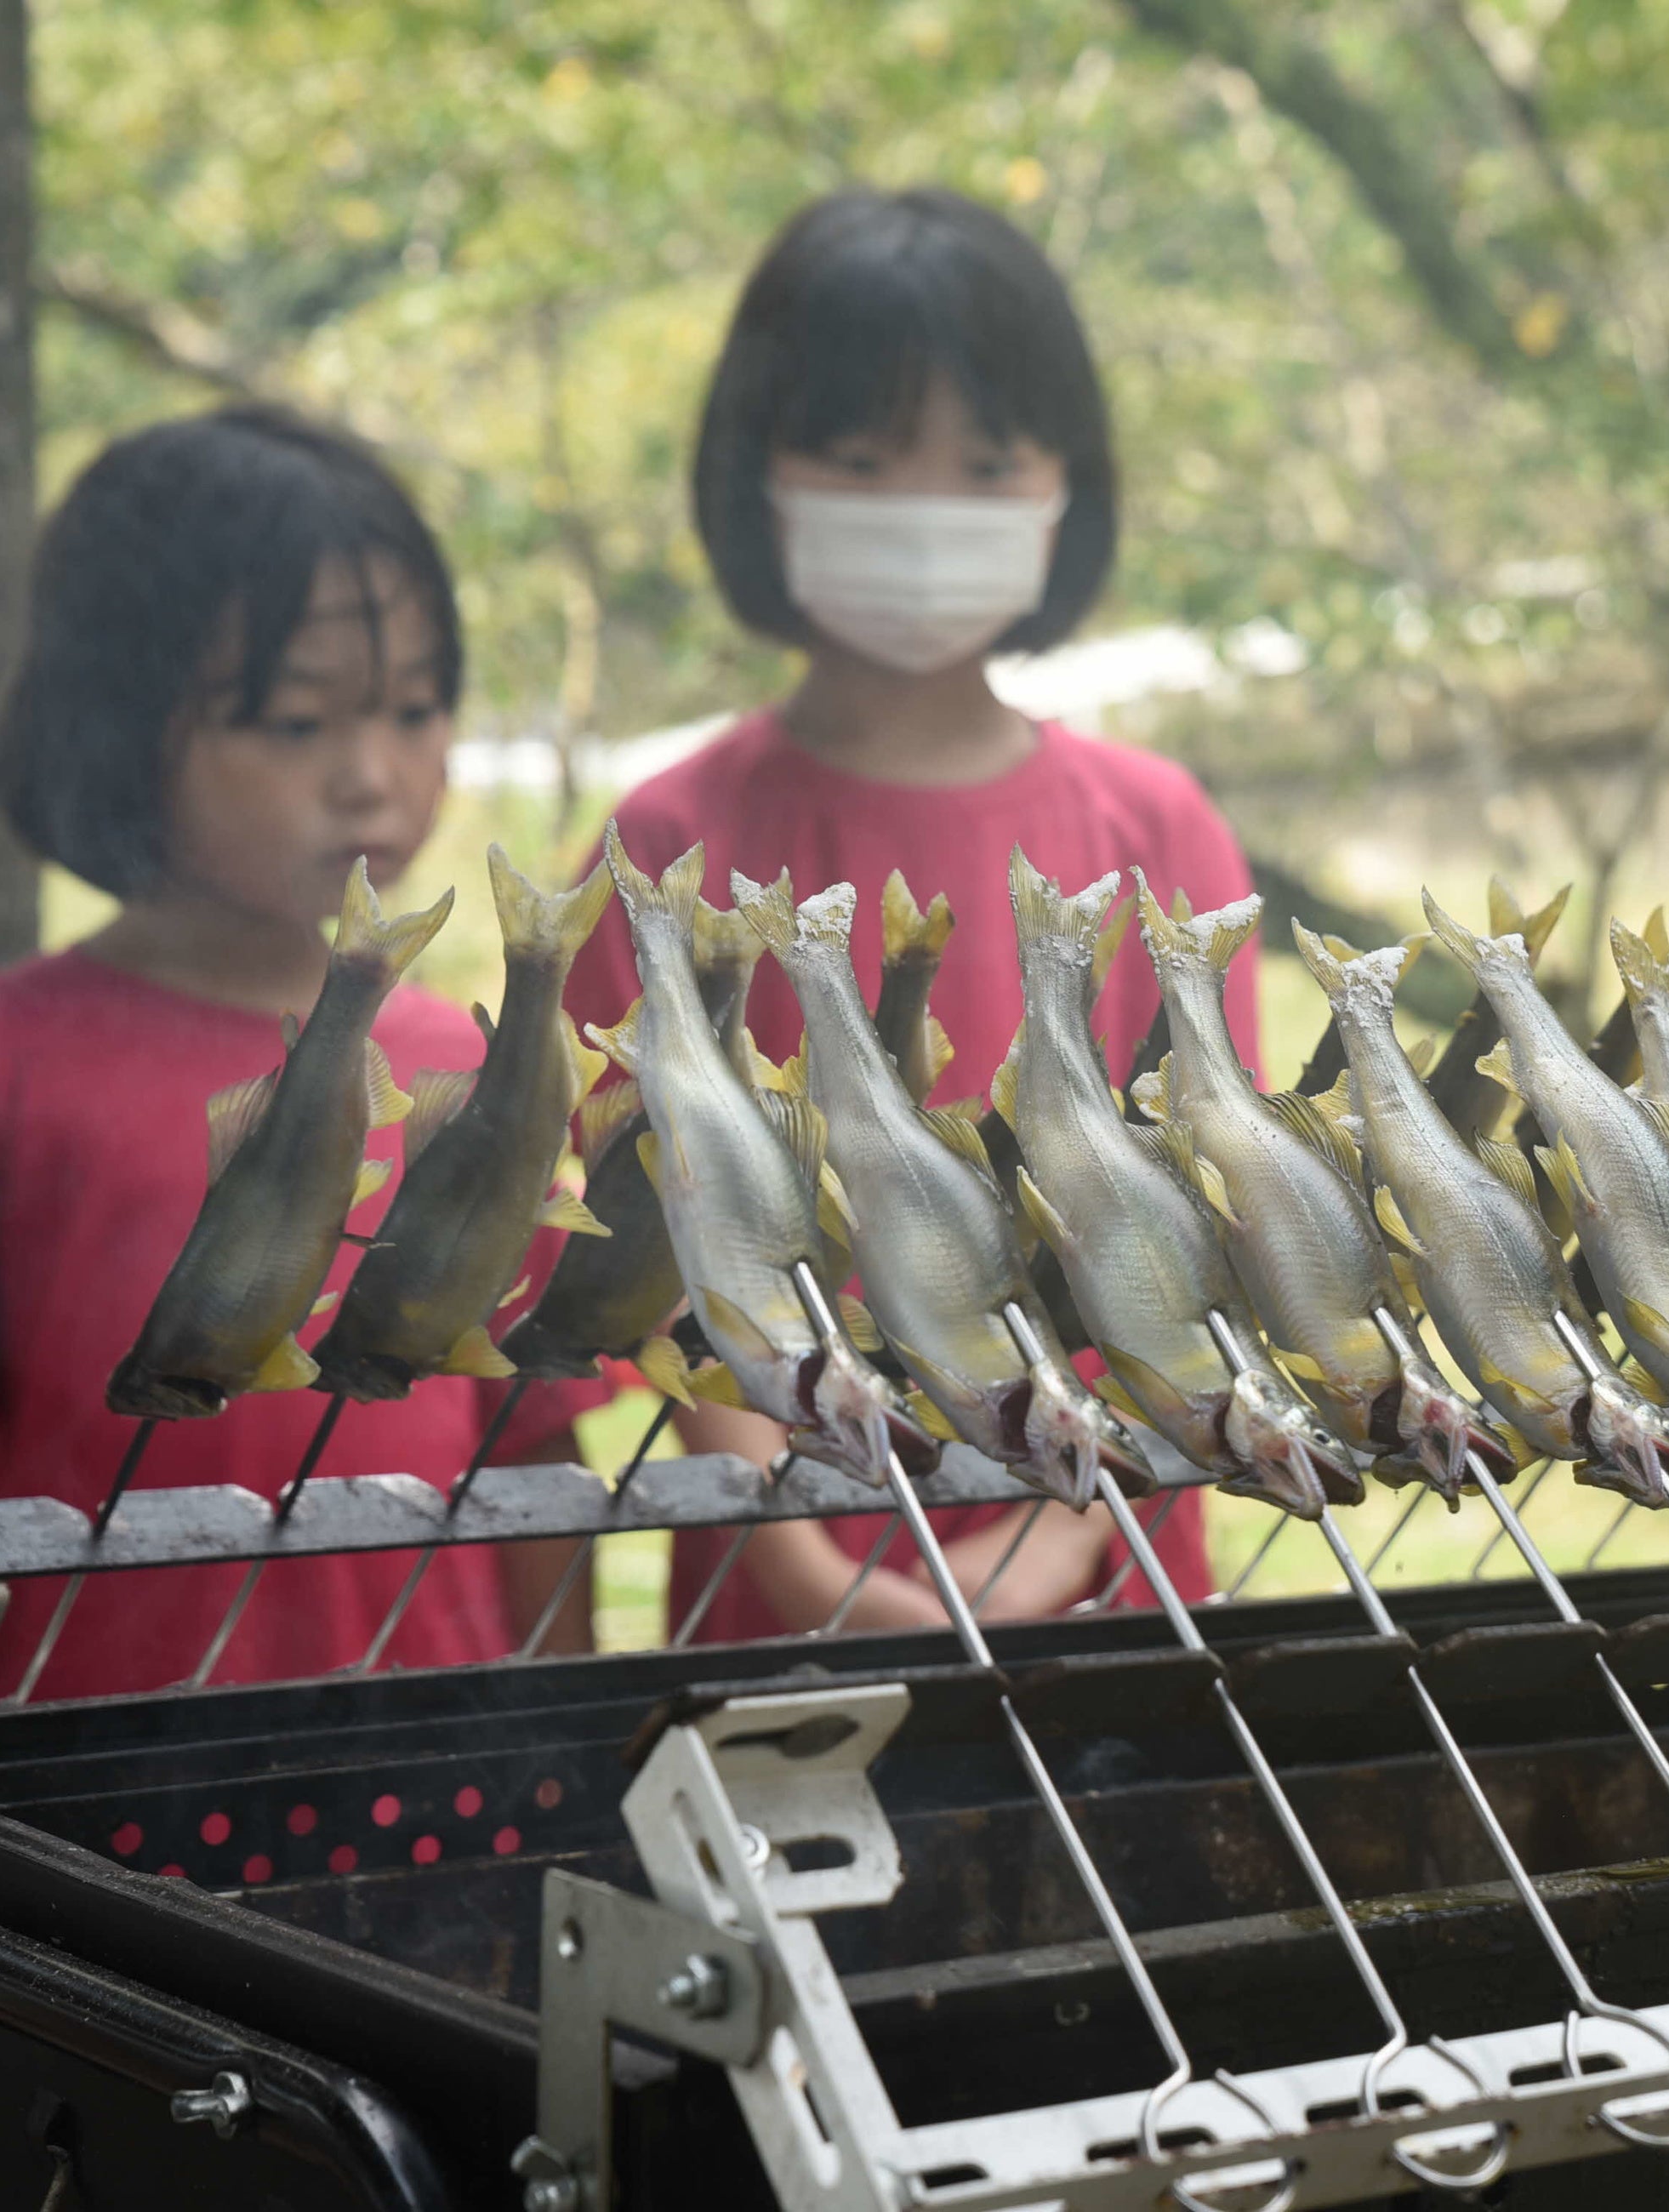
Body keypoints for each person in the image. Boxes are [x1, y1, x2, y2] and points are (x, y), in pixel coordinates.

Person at [0, 408, 606, 1707]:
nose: (374, 778)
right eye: (294, 722)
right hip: (63, 1831)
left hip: (425, 1807)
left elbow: (536, 1460)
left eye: (415, 707)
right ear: (118, 725)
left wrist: (564, 1754)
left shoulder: (479, 1081)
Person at [565, 188, 1251, 1641]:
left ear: (1070, 483)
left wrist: (1065, 1549)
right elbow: (643, 1244)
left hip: (1118, 1608)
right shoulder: (664, 847)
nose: (925, 510)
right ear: (758, 476)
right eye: (864, 459)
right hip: (778, 1615)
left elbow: (1211, 1239)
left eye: (985, 461)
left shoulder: (1157, 834)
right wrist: (804, 1556)